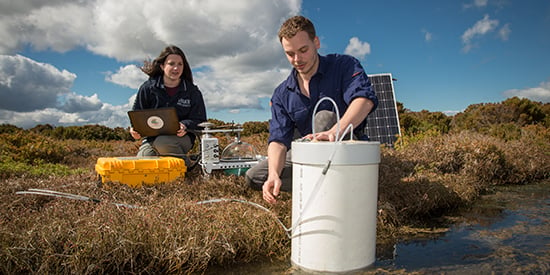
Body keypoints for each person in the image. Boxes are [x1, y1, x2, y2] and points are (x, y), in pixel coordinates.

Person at [245, 16, 378, 204]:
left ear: (316, 43)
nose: (297, 60)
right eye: (290, 54)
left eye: (303, 50)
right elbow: (278, 141)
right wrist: (274, 174)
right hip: (306, 156)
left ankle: (337, 185)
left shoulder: (344, 66)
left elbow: (363, 100)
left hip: (345, 150)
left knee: (324, 118)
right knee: (255, 176)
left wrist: (334, 131)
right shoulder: (282, 94)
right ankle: (323, 185)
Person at [130, 45, 207, 165]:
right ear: (162, 66)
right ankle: (181, 166)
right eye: (171, 64)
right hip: (151, 140)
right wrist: (134, 129)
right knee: (144, 160)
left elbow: (201, 121)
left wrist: (185, 125)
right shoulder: (148, 88)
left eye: (180, 64)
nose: (176, 68)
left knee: (163, 143)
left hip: (182, 138)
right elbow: (137, 115)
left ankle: (189, 167)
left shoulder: (192, 91)